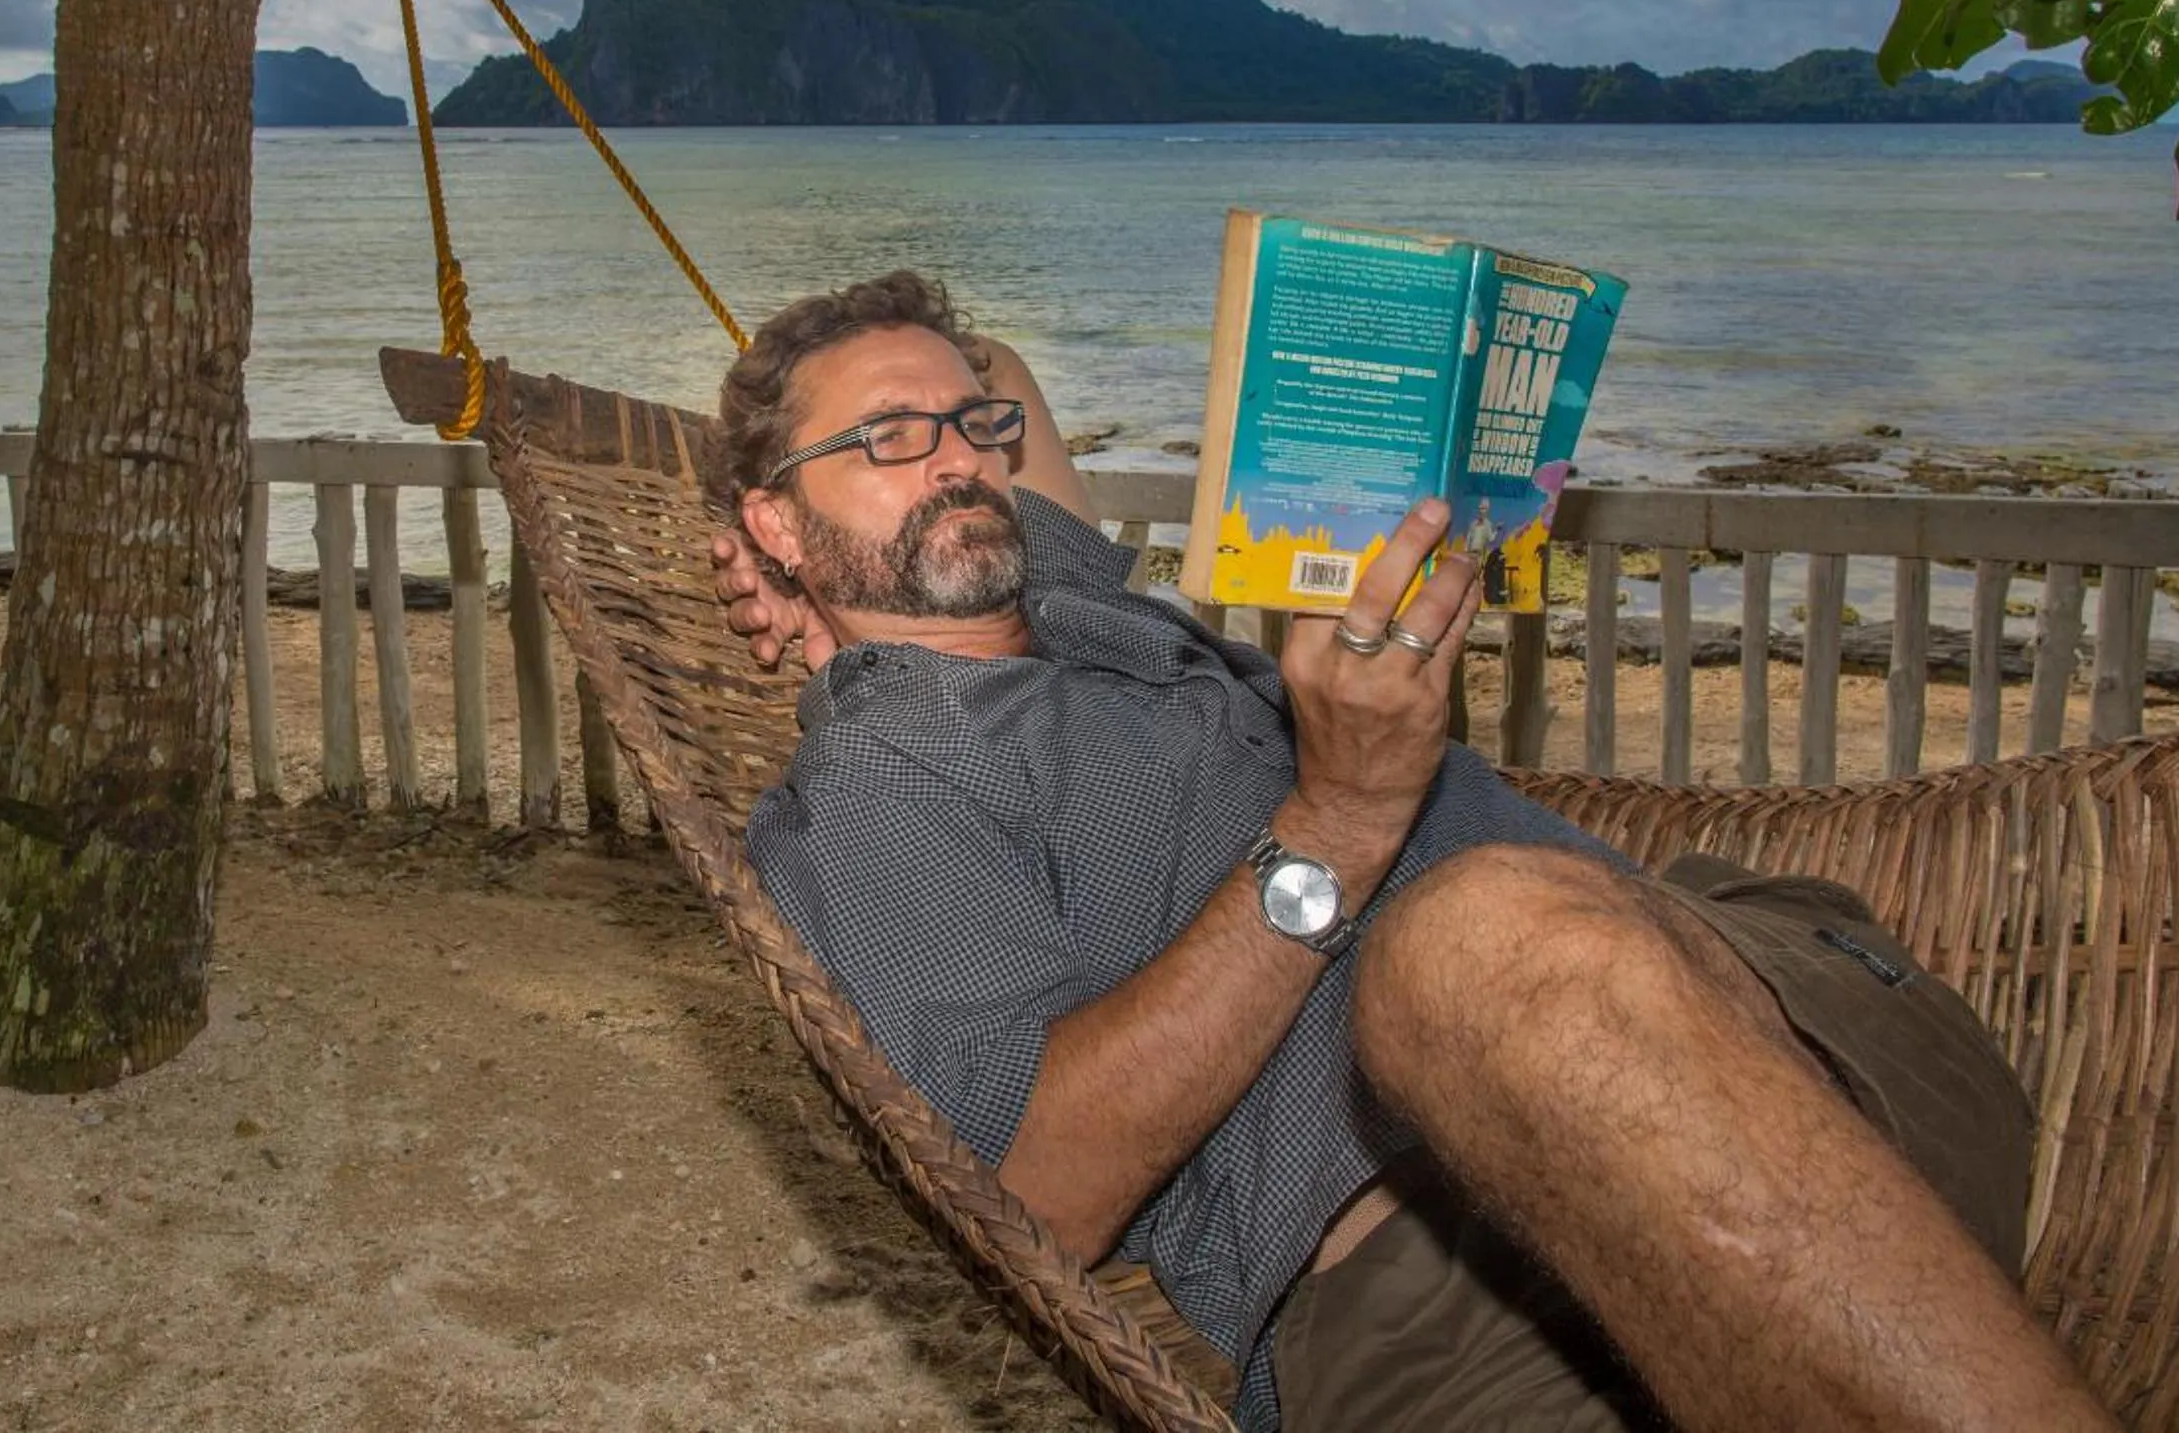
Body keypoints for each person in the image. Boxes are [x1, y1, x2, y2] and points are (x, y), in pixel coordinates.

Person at [701, 272, 2107, 1433]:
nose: (956, 456)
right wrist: (1341, 822)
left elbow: (990, 365)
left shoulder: (1058, 590)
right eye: (889, 439)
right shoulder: (883, 779)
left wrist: (816, 492)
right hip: (1482, 1290)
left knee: (1507, 940)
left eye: (970, 427)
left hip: (1815, 1034)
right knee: (1474, 945)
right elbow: (1029, 1202)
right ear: (777, 517)